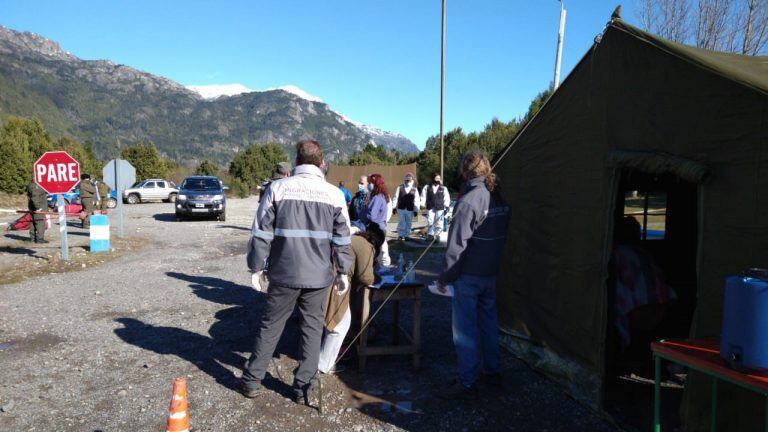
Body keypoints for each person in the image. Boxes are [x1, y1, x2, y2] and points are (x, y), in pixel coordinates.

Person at [239, 140, 353, 405]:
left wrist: (256, 267)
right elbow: (343, 239)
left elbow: (261, 233)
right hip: (319, 277)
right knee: (312, 329)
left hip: (284, 274)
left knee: (271, 326)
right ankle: (304, 388)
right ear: (322, 164)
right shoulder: (334, 194)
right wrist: (343, 272)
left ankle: (252, 381)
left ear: (296, 161)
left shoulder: (277, 189)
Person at [436, 152, 511, 400]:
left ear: (466, 172)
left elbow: (456, 247)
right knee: (489, 325)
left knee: (465, 330)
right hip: (490, 273)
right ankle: (493, 372)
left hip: (469, 275)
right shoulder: (498, 195)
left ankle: (468, 381)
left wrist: (444, 278)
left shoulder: (469, 200)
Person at [318, 224, 384, 374]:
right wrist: (377, 277)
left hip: (327, 277)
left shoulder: (355, 239)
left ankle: (326, 359)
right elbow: (366, 277)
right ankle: (324, 363)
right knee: (339, 325)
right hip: (337, 283)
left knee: (335, 323)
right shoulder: (366, 246)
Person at [361, 174, 391, 267]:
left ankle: (379, 270)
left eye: (370, 183)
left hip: (375, 229)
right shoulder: (380, 196)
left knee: (377, 253)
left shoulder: (377, 198)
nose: (369, 185)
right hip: (379, 228)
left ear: (375, 184)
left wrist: (363, 214)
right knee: (380, 251)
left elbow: (372, 216)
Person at [421, 173, 451, 240]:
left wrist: (447, 206)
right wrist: (422, 204)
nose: (438, 180)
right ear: (433, 178)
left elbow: (447, 197)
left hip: (440, 207)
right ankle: (430, 235)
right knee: (430, 221)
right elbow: (423, 196)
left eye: (439, 178)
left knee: (439, 222)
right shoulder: (427, 187)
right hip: (430, 207)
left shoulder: (443, 188)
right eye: (436, 178)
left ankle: (437, 235)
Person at [393, 173, 420, 241]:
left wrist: (416, 210)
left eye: (409, 180)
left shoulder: (414, 189)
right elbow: (395, 198)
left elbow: (417, 200)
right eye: (406, 180)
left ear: (411, 180)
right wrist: (394, 207)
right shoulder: (400, 187)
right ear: (404, 180)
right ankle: (401, 235)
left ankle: (407, 235)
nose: (407, 181)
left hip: (410, 208)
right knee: (401, 221)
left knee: (409, 222)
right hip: (401, 208)